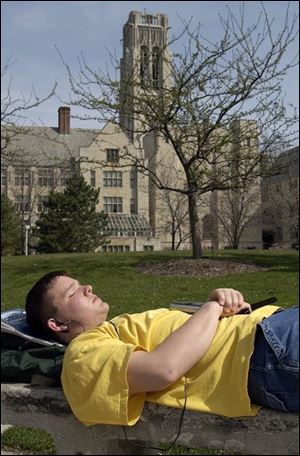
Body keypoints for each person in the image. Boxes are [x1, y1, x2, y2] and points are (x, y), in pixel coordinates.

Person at [25, 270, 299, 428]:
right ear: (57, 324)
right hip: (261, 353)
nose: (87, 287)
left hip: (267, 334)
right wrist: (212, 308)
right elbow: (163, 369)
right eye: (72, 293)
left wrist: (222, 307)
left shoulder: (113, 329)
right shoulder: (82, 355)